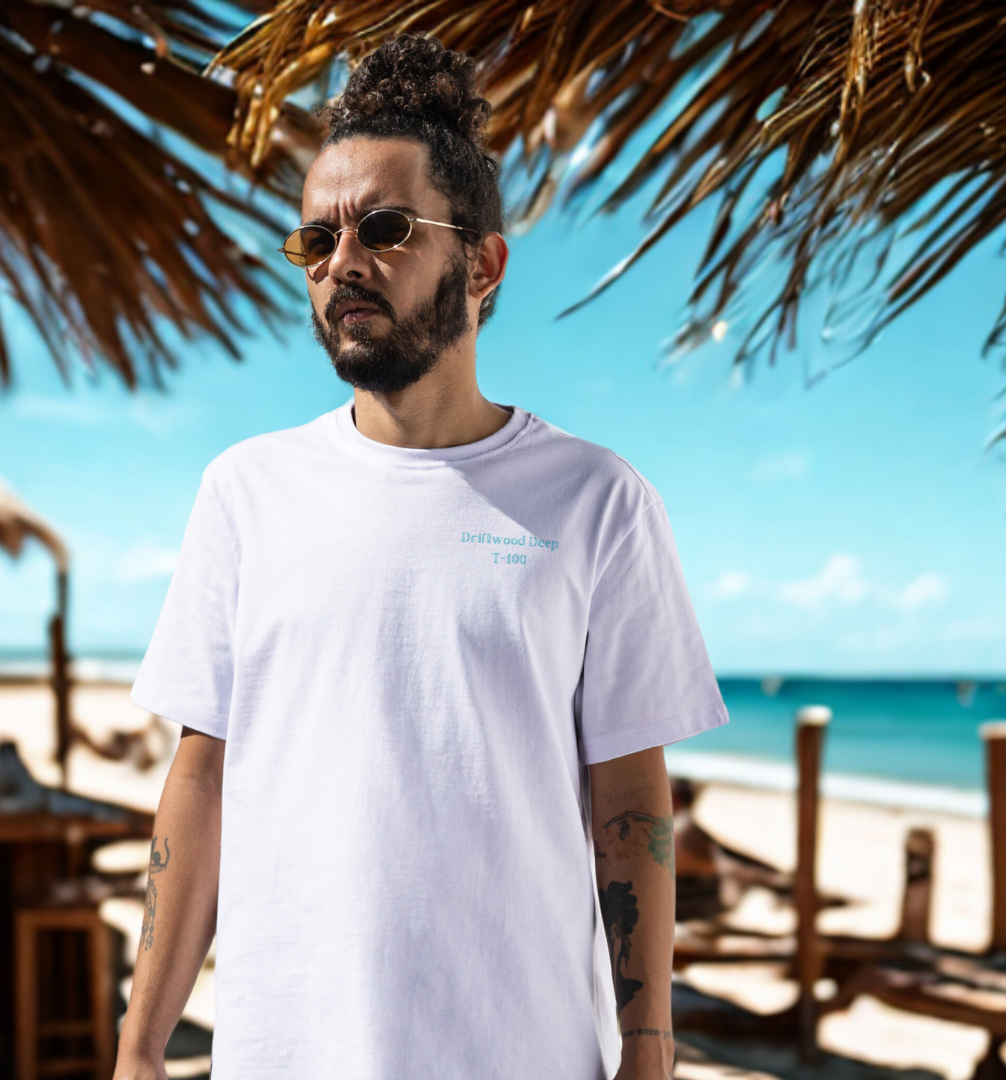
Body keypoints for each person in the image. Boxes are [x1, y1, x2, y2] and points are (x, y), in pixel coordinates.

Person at [115, 31, 728, 1080]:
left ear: (482, 263)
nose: (343, 263)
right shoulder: (246, 492)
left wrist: (650, 1045)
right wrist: (139, 1048)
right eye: (317, 240)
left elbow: (629, 796)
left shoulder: (598, 501)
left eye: (386, 228)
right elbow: (201, 781)